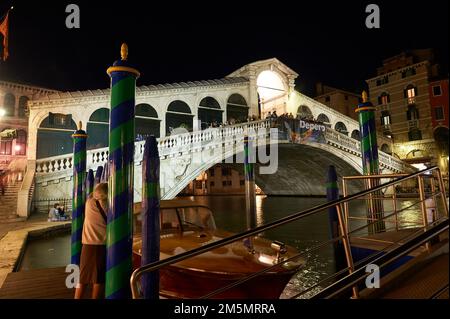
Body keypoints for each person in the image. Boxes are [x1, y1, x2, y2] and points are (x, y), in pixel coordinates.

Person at [75, 182, 108, 299]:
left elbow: (90, 195)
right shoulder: (107, 206)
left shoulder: (89, 203)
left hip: (87, 244)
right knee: (98, 278)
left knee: (82, 278)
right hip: (100, 244)